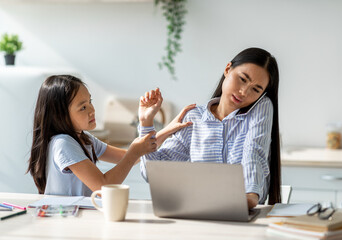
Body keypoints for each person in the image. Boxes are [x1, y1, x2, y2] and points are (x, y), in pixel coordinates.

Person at [138, 47, 281, 209]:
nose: (243, 92)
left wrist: (250, 196)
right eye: (242, 79)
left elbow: (253, 151)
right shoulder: (194, 117)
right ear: (228, 69)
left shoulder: (262, 108)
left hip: (242, 212)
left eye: (256, 89)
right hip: (199, 213)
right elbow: (154, 172)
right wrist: (146, 122)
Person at [27, 75, 193, 196]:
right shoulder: (63, 144)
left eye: (90, 101)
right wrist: (134, 151)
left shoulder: (83, 139)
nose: (92, 110)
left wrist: (155, 124)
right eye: (83, 107)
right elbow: (103, 187)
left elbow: (131, 156)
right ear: (60, 115)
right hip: (64, 221)